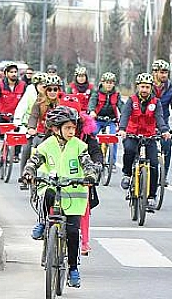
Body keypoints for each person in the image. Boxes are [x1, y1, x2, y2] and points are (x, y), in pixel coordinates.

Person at [21, 106, 100, 289]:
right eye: (68, 128)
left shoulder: (80, 146)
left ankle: (73, 269)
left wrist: (90, 176)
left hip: (74, 196)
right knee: (45, 194)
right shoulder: (46, 145)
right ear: (56, 129)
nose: (72, 132)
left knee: (73, 233)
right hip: (53, 188)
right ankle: (42, 222)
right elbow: (34, 161)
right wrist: (28, 173)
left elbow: (88, 164)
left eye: (74, 128)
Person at [117, 72, 171, 211]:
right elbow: (125, 115)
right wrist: (122, 129)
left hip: (149, 136)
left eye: (147, 87)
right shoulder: (131, 100)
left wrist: (164, 130)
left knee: (153, 164)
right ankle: (127, 174)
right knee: (129, 150)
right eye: (142, 87)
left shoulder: (156, 102)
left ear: (151, 88)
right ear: (137, 87)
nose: (144, 90)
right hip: (132, 134)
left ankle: (152, 196)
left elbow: (159, 118)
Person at [60, 94, 103, 256]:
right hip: (56, 175)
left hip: (79, 179)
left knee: (82, 207)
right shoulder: (52, 134)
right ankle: (43, 225)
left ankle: (84, 241)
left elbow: (95, 152)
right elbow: (41, 152)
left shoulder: (84, 137)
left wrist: (96, 167)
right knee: (46, 198)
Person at [0, 63, 26, 166]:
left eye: (15, 72)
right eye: (11, 72)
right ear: (6, 74)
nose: (14, 74)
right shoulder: (1, 85)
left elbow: (26, 99)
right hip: (2, 115)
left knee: (20, 133)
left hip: (16, 116)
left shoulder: (22, 85)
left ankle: (15, 154)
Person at [151, 59, 172, 185]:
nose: (164, 75)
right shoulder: (146, 85)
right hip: (146, 123)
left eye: (166, 72)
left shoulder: (171, 88)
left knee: (167, 144)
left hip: (162, 123)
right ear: (154, 73)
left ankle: (164, 175)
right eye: (161, 72)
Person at [88, 72, 123, 167]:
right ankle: (91, 157)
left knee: (113, 138)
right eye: (107, 82)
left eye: (111, 82)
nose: (109, 84)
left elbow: (121, 105)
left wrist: (124, 113)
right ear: (102, 83)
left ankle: (112, 162)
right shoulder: (97, 93)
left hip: (111, 120)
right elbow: (92, 103)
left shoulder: (116, 94)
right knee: (92, 135)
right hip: (98, 119)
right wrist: (91, 111)